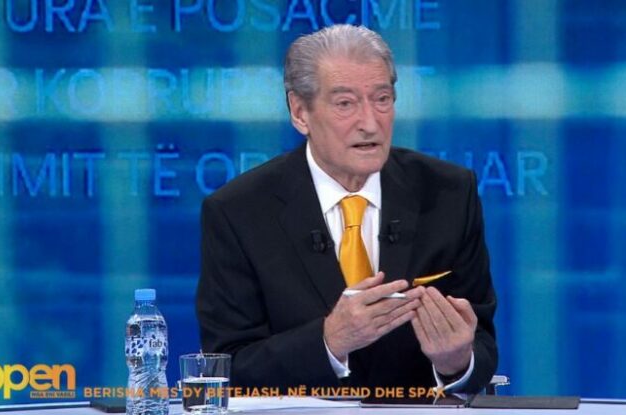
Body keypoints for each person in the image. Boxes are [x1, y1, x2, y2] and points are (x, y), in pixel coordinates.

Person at [196, 24, 497, 394]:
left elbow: (482, 343)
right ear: (300, 112)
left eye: (382, 99)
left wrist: (457, 362)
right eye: (345, 104)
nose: (370, 123)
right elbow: (229, 366)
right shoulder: (239, 212)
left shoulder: (449, 194)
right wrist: (329, 341)